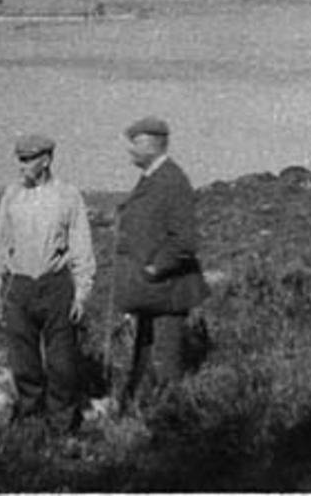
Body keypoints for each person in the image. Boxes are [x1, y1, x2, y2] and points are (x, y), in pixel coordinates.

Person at [0, 133, 95, 431]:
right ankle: (31, 422)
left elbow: (81, 246)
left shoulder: (68, 196)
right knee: (23, 362)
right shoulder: (11, 195)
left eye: (27, 160)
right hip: (19, 286)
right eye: (19, 160)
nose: (21, 166)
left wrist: (82, 293)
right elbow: (0, 242)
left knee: (62, 364)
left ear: (45, 160)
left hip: (56, 285)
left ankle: (63, 427)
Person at [113, 116, 210, 412]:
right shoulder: (154, 178)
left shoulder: (171, 180)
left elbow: (185, 241)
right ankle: (146, 417)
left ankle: (172, 426)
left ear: (155, 144)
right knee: (147, 360)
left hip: (166, 291)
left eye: (137, 142)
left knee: (166, 365)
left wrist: (154, 269)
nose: (131, 149)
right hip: (151, 292)